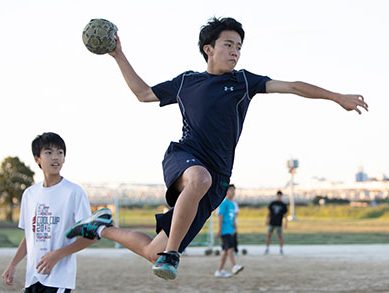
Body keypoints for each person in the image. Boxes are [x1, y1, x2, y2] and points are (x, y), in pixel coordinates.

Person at [66, 17, 368, 280]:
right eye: (228, 44)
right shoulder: (187, 82)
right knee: (198, 180)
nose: (235, 51)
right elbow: (143, 93)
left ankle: (100, 227)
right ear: (208, 49)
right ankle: (172, 255)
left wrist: (336, 96)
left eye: (238, 46)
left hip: (218, 176)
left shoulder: (244, 83)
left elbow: (293, 86)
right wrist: (118, 55)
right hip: (184, 157)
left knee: (151, 251)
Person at [2, 132, 100, 292]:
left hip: (59, 278)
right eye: (48, 152)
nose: (55, 157)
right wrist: (12, 265)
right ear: (37, 158)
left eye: (60, 153)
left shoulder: (74, 192)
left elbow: (92, 236)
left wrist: (57, 255)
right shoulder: (29, 194)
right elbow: (30, 236)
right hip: (32, 277)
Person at [214, 184, 244, 278]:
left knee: (225, 251)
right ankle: (234, 266)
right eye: (230, 190)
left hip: (231, 229)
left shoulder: (233, 204)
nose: (232, 192)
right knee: (230, 248)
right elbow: (220, 216)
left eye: (233, 190)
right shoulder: (224, 203)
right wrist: (219, 229)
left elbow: (233, 217)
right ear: (226, 191)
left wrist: (235, 228)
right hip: (225, 229)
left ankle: (219, 271)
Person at [265, 190, 288, 255]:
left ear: (281, 196)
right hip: (272, 222)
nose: (279, 197)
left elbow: (285, 215)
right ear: (276, 196)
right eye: (278, 195)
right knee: (269, 235)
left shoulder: (283, 205)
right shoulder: (273, 203)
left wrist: (286, 223)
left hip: (279, 223)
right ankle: (267, 248)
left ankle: (281, 249)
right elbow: (269, 213)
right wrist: (267, 220)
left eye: (280, 196)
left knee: (280, 236)